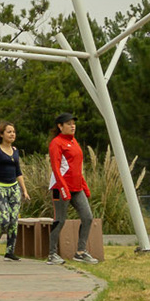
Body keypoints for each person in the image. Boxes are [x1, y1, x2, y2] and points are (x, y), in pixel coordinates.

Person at [48, 113, 98, 264]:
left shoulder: (74, 141)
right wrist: (63, 189)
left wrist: (84, 186)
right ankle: (52, 254)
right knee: (60, 220)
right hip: (59, 187)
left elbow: (77, 168)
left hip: (76, 188)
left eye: (73, 123)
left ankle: (81, 252)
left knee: (87, 217)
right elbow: (56, 168)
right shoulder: (56, 143)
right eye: (68, 123)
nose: (72, 126)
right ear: (60, 126)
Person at [0, 122, 27, 261]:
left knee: (14, 220)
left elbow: (18, 171)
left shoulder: (15, 150)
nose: (12, 134)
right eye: (9, 132)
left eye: (13, 132)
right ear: (1, 134)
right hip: (0, 188)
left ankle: (10, 251)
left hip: (14, 188)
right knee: (4, 220)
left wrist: (24, 190)